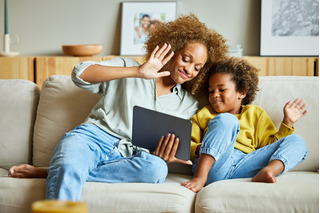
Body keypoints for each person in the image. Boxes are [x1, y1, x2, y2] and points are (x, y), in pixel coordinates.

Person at [9, 14, 228, 201]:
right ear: (171, 49)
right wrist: (137, 72)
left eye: (197, 67)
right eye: (186, 59)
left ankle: (58, 170)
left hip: (133, 155)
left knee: (157, 169)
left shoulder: (189, 103)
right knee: (71, 161)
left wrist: (166, 154)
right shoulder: (129, 66)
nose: (189, 69)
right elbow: (80, 74)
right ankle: (66, 167)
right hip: (92, 138)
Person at [181, 57, 308, 193]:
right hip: (213, 166)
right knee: (227, 120)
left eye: (221, 90)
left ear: (241, 92)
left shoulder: (256, 114)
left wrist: (287, 122)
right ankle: (200, 178)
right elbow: (186, 146)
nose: (215, 95)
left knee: (297, 141)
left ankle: (269, 171)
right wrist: (200, 148)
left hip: (245, 165)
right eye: (211, 91)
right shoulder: (204, 114)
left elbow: (269, 145)